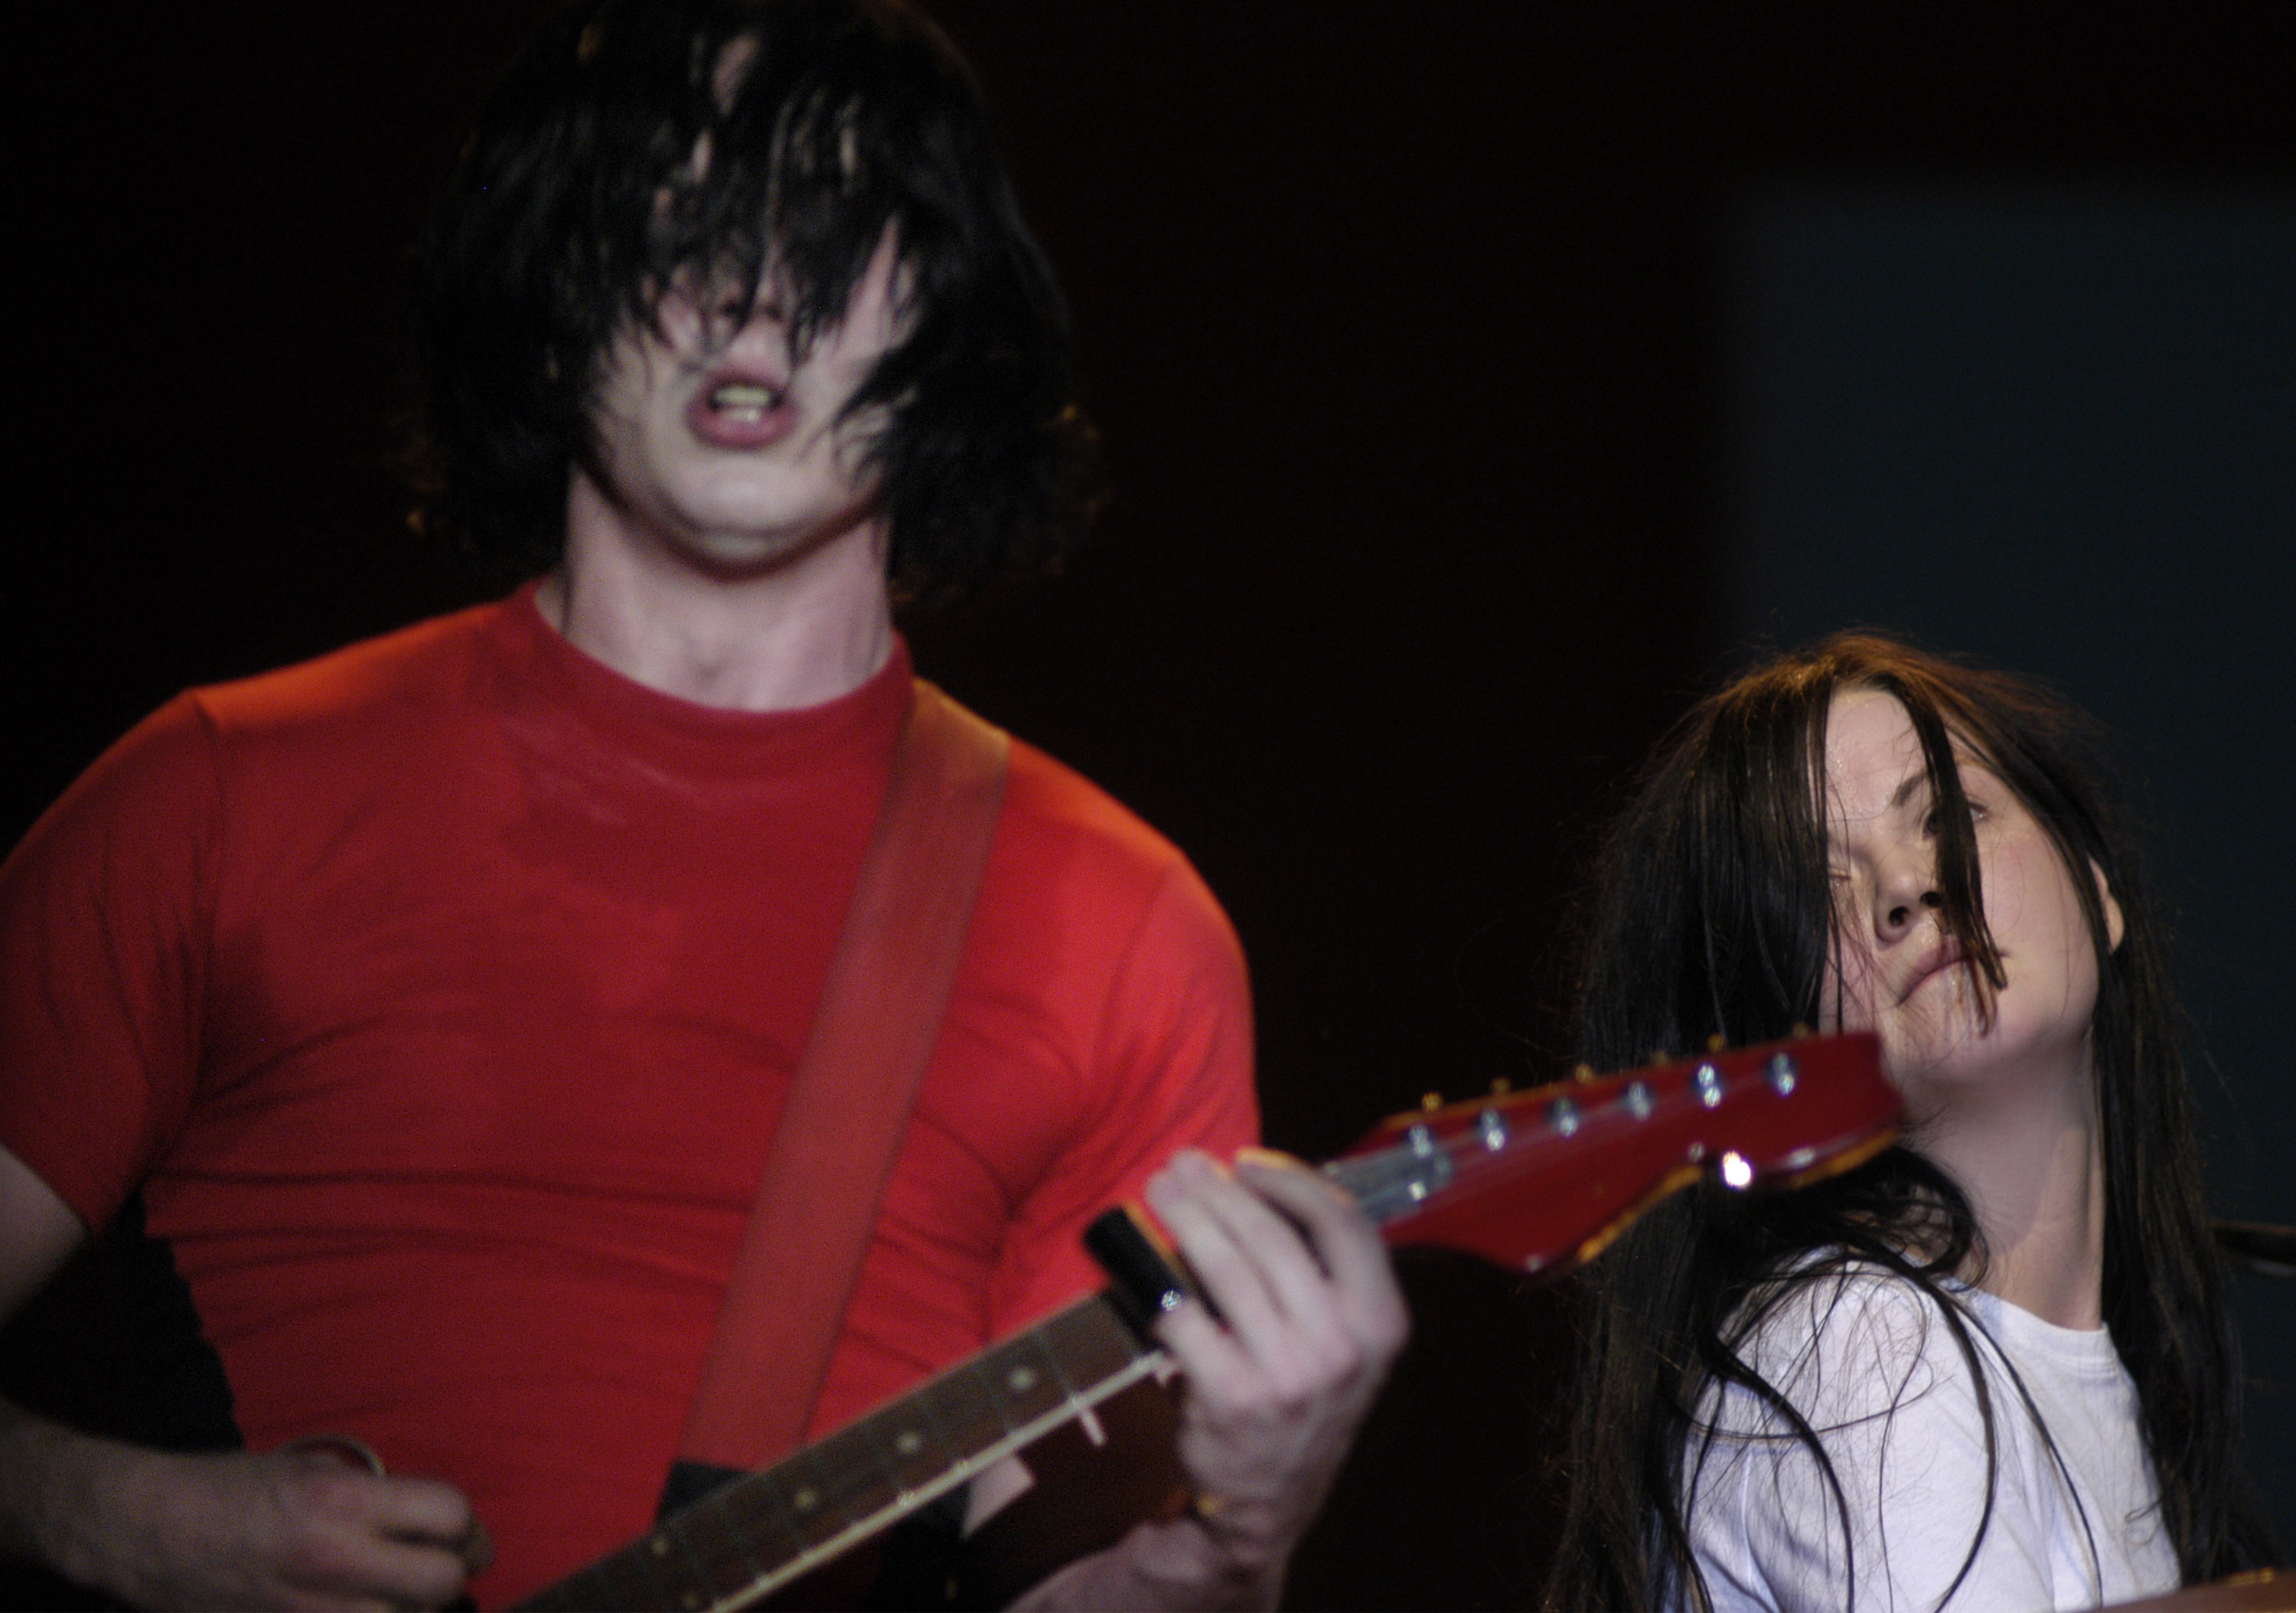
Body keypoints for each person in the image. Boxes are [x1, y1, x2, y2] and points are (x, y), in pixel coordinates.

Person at [0, 2, 1407, 1607]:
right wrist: (105, 1516)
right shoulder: (215, 798)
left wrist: (1243, 1531)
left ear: (944, 317)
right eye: (674, 218)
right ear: (547, 292)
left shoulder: (1118, 924)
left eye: (831, 225)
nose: (749, 293)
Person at [1541, 633, 2278, 1612]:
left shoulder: (2103, 1393)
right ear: (1777, 1036)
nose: (1905, 887)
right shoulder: (1868, 1346)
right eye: (1817, 889)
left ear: (2098, 889)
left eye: (1951, 815)